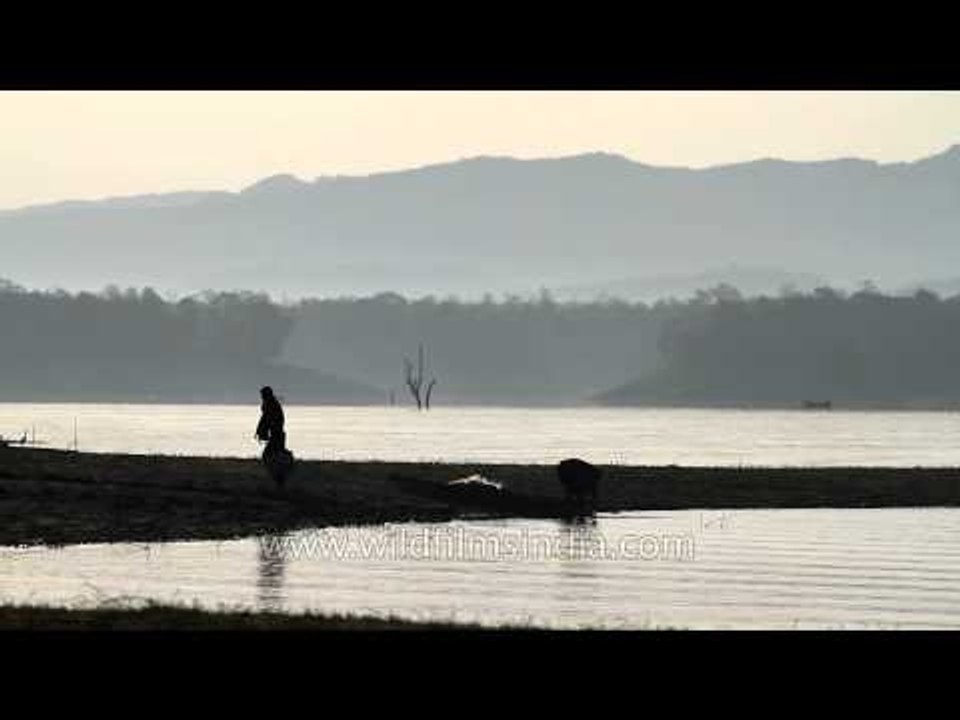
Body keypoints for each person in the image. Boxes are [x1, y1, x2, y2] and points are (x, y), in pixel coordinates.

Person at [256, 386, 291, 486]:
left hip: (277, 435)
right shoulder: (272, 404)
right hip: (277, 435)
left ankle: (279, 479)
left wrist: (262, 431)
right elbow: (266, 420)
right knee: (275, 458)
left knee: (270, 457)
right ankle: (280, 480)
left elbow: (266, 420)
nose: (261, 397)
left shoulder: (270, 405)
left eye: (262, 395)